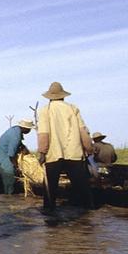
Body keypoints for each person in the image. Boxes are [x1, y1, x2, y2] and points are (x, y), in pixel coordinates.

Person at [37, 81, 93, 211]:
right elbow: (83, 132)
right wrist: (88, 148)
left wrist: (42, 153)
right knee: (82, 186)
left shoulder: (46, 110)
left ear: (49, 97)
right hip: (74, 153)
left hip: (53, 154)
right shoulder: (73, 108)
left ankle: (50, 214)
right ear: (63, 96)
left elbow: (44, 134)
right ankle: (89, 211)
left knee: (50, 188)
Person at [0, 119, 35, 194]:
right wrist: (16, 166)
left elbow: (20, 145)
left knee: (8, 181)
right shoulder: (16, 136)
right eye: (29, 129)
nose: (29, 131)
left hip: (1, 156)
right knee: (9, 181)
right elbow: (11, 155)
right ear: (25, 128)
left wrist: (25, 149)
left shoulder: (15, 130)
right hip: (4, 159)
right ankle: (8, 198)